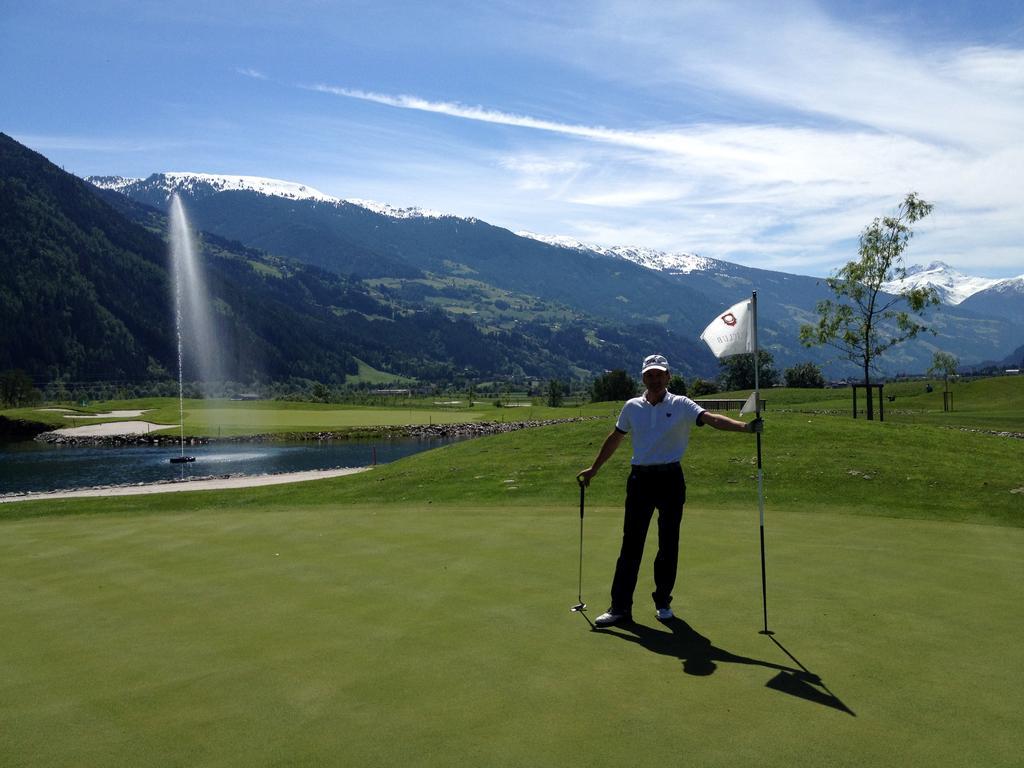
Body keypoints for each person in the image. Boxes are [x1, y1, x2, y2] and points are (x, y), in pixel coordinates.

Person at [578, 353, 762, 628]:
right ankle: (619, 608)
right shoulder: (632, 407)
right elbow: (616, 438)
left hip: (670, 479)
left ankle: (662, 602)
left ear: (668, 377)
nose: (654, 379)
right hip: (640, 480)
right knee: (631, 545)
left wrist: (746, 428)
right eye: (649, 374)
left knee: (668, 544)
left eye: (659, 374)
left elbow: (711, 419)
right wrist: (594, 469)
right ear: (643, 377)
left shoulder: (681, 404)